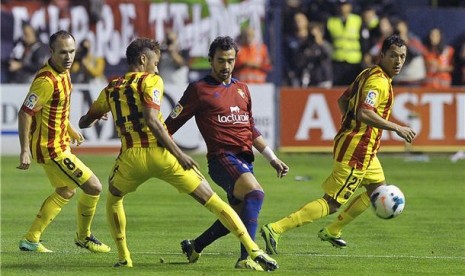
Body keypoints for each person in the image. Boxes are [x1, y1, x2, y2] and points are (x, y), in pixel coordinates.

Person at [78, 37, 278, 271]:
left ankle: (124, 258)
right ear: (143, 60)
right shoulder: (152, 80)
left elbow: (84, 121)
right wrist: (180, 154)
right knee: (214, 201)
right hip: (162, 154)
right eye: (155, 61)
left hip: (130, 158)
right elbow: (153, 121)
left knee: (113, 199)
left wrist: (96, 117)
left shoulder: (110, 89)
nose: (157, 67)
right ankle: (252, 250)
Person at [261, 34, 416, 254]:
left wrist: (349, 125)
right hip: (357, 151)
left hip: (365, 150)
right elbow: (364, 112)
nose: (398, 61)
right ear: (382, 56)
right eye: (393, 56)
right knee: (332, 203)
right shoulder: (377, 82)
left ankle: (333, 231)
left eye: (402, 56)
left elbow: (342, 100)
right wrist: (396, 127)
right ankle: (275, 229)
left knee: (378, 190)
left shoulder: (368, 73)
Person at [164, 36, 289, 271]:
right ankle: (248, 257)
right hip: (221, 158)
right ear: (210, 60)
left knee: (238, 212)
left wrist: (272, 158)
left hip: (244, 159)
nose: (226, 66)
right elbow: (168, 126)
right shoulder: (199, 90)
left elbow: (249, 127)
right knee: (255, 193)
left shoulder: (242, 89)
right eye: (221, 61)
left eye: (230, 60)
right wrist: (174, 154)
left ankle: (195, 246)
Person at [17, 30, 111, 254]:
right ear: (51, 52)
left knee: (66, 190)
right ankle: (84, 236)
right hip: (51, 149)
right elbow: (25, 113)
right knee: (94, 186)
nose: (68, 57)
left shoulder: (65, 72)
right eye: (62, 52)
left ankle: (31, 239)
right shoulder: (46, 81)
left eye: (71, 51)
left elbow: (54, 110)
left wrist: (70, 130)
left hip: (59, 143)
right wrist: (24, 151)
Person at [325, 0, 364, 85]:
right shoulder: (331, 22)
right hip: (338, 60)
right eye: (341, 5)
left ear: (350, 6)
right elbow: (327, 40)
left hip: (354, 61)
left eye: (345, 5)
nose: (343, 8)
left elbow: (363, 41)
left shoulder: (357, 20)